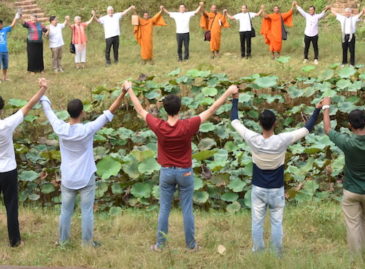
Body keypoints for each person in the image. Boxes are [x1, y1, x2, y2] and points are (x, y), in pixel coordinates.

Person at [123, 80, 239, 251]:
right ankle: (191, 246)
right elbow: (212, 109)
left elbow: (140, 110)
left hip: (166, 172)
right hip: (185, 172)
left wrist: (129, 88)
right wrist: (229, 92)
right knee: (187, 209)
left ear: (165, 110)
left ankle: (160, 245)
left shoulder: (159, 126)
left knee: (164, 208)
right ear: (180, 108)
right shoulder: (188, 125)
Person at [230, 90, 321, 255]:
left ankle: (258, 252)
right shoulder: (282, 140)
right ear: (275, 123)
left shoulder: (253, 138)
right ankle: (277, 254)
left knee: (257, 222)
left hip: (258, 188)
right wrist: (317, 109)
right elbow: (307, 128)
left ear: (259, 124)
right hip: (276, 189)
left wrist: (235, 100)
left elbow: (235, 121)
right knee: (276, 222)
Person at [39, 84, 126, 247]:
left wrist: (43, 92)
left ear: (68, 112)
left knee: (65, 211)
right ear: (82, 113)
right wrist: (122, 93)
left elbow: (48, 112)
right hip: (86, 178)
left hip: (68, 178)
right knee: (87, 212)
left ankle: (63, 241)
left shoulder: (60, 128)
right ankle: (87, 243)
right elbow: (109, 113)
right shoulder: (88, 129)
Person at [0, 77, 48, 247]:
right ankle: (15, 240)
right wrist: (43, 89)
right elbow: (28, 106)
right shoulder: (6, 125)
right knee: (11, 206)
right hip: (8, 171)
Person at [322, 97, 365, 254]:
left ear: (350, 125)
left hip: (351, 191)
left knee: (353, 225)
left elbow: (327, 129)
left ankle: (356, 259)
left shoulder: (347, 142)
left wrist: (326, 106)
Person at [0, 13, 20, 81]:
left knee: (5, 66)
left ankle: (4, 78)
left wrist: (16, 17)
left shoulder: (4, 29)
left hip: (5, 51)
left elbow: (12, 25)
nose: (1, 25)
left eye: (1, 24)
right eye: (0, 24)